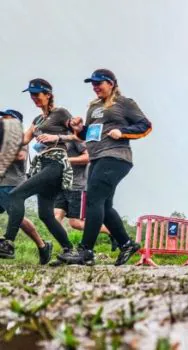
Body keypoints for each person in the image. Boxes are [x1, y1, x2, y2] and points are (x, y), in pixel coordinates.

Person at [61, 69, 152, 265]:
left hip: (115, 157)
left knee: (94, 199)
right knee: (104, 204)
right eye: (92, 84)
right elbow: (88, 135)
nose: (95, 87)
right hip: (96, 157)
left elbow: (145, 125)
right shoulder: (93, 107)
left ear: (111, 83)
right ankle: (126, 243)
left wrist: (123, 131)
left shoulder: (124, 103)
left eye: (99, 82)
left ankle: (86, 251)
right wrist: (78, 129)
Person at [0, 79, 76, 261]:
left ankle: (8, 242)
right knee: (46, 215)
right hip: (43, 165)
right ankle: (69, 250)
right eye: (31, 95)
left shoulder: (60, 113)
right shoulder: (37, 120)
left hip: (57, 164)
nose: (34, 98)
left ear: (48, 95)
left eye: (37, 94)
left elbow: (79, 136)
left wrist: (55, 136)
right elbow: (24, 141)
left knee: (16, 195)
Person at [0, 110, 52, 264]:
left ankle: (42, 245)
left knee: (18, 219)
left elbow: (20, 156)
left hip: (12, 183)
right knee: (18, 218)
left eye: (7, 118)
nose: (3, 120)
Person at [54, 140, 115, 250]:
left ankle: (112, 232)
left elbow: (88, 157)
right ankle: (67, 248)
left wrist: (66, 160)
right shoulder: (54, 139)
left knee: (75, 223)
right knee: (55, 218)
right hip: (61, 186)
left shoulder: (74, 139)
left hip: (77, 188)